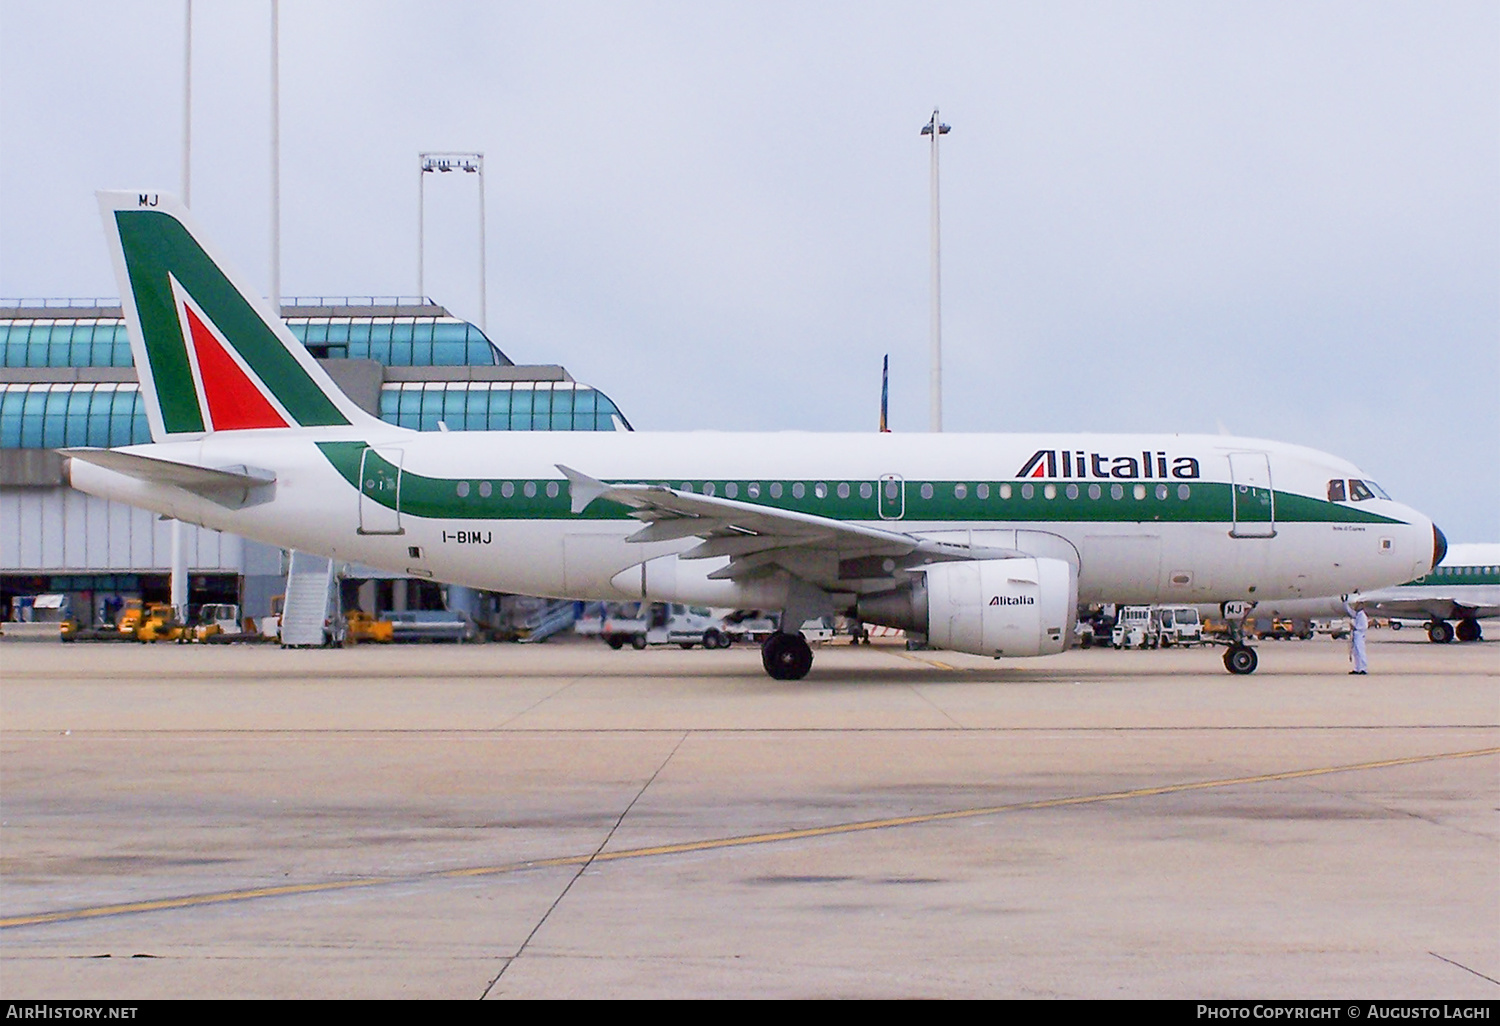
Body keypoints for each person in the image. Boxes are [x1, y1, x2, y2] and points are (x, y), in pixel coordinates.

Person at [1344, 599, 1369, 675]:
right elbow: (1350, 612)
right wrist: (1345, 603)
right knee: (1355, 652)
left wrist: (1354, 626)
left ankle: (1363, 668)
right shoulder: (1357, 614)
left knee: (1360, 651)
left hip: (1360, 634)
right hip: (1356, 634)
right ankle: (1357, 668)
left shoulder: (1362, 615)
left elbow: (1364, 626)